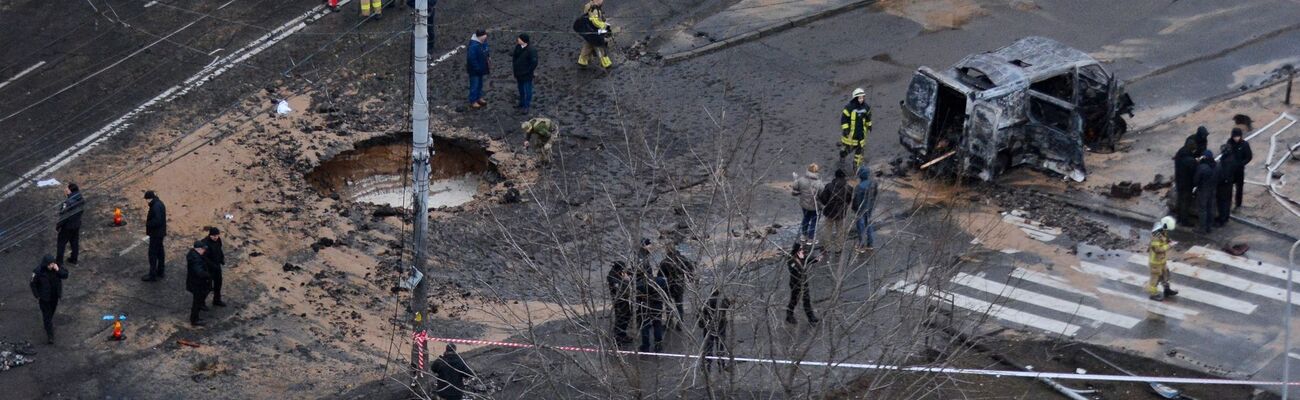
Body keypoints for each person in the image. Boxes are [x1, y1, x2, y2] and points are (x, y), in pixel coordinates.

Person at [29, 255, 68, 344]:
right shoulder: (38, 271)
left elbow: (65, 275)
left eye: (53, 263)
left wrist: (58, 270)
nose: (52, 266)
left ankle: (48, 325)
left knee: (51, 313)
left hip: (54, 296)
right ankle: (50, 335)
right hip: (44, 298)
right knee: (46, 316)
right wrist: (37, 295)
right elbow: (33, 283)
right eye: (50, 264)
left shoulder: (57, 268)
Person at [659, 240, 696, 331]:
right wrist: (690, 279)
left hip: (669, 286)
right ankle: (680, 324)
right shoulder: (683, 259)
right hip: (679, 285)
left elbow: (660, 276)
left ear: (667, 250)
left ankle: (669, 323)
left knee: (668, 305)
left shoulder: (664, 262)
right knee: (679, 305)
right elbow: (690, 269)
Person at [816, 169, 852, 253]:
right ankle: (838, 248)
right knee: (840, 230)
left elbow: (823, 200)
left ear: (835, 176)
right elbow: (849, 200)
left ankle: (827, 247)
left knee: (827, 230)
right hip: (841, 212)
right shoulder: (849, 188)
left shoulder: (829, 186)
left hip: (829, 212)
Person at [785, 241, 821, 325]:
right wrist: (801, 259)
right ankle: (789, 315)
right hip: (795, 283)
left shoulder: (801, 256)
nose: (802, 250)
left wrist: (815, 259)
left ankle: (811, 317)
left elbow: (808, 259)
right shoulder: (791, 260)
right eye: (800, 249)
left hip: (804, 282)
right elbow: (797, 269)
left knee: (806, 300)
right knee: (794, 300)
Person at [635, 268, 668, 352]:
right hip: (657, 305)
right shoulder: (659, 280)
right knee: (657, 325)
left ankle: (645, 346)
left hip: (645, 306)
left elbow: (636, 294)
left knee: (645, 326)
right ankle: (658, 345)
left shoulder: (640, 284)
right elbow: (666, 286)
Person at [698, 289, 731, 371]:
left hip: (709, 327)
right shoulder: (723, 302)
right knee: (720, 346)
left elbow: (701, 313)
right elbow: (728, 304)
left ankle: (707, 364)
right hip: (721, 326)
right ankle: (721, 364)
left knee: (708, 346)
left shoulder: (707, 301)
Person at [840, 88, 873, 168]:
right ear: (855, 98)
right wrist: (846, 130)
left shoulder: (866, 107)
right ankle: (842, 156)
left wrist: (869, 125)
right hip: (851, 134)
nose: (861, 99)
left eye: (862, 97)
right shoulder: (849, 107)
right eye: (860, 98)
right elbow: (844, 119)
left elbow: (868, 118)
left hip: (861, 133)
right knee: (848, 149)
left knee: (860, 150)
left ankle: (856, 166)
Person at [1147, 217, 1178, 301]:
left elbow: (1164, 239)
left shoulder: (1162, 230)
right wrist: (1169, 245)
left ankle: (1166, 290)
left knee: (1165, 274)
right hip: (1155, 261)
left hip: (1162, 260)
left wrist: (1168, 241)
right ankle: (1153, 294)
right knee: (1155, 278)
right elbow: (1157, 249)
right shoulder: (1156, 236)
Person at [575, 0, 613, 70]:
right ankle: (606, 63)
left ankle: (582, 60)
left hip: (589, 30)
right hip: (595, 31)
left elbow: (587, 15)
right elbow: (595, 21)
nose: (602, 1)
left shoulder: (588, 6)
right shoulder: (594, 9)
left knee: (588, 45)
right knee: (600, 45)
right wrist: (604, 25)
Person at [791, 163, 823, 240]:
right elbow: (822, 195)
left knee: (805, 219)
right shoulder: (819, 183)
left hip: (804, 205)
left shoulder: (801, 180)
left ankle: (804, 235)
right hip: (815, 206)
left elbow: (795, 187)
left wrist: (795, 179)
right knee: (814, 222)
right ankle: (811, 238)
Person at [1171, 137, 1199, 226]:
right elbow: (1194, 170)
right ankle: (1184, 221)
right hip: (1186, 183)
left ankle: (1179, 218)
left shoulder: (1181, 152)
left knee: (1180, 199)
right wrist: (1196, 162)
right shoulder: (1189, 160)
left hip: (1179, 181)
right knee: (1186, 202)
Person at [55, 182, 84, 266]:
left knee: (61, 244)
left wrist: (58, 226)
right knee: (74, 242)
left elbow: (63, 215)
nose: (65, 190)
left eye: (67, 189)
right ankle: (74, 259)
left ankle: (59, 262)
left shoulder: (67, 203)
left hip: (67, 226)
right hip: (76, 224)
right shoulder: (81, 199)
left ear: (70, 191)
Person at [1224, 128, 1253, 209]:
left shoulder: (1244, 144)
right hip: (1230, 170)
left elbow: (1249, 156)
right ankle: (1228, 203)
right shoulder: (1229, 143)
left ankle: (1238, 203)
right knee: (1228, 188)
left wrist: (1241, 163)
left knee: (1239, 188)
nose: (1236, 138)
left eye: (1238, 136)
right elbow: (1225, 154)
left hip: (1239, 170)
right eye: (1235, 137)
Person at [852, 165, 878, 251]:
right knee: (868, 224)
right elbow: (875, 195)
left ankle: (861, 245)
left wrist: (855, 209)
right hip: (869, 207)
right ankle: (870, 243)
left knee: (860, 226)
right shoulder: (874, 184)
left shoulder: (859, 187)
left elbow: (856, 200)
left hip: (861, 209)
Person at [606, 261, 633, 344]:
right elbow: (620, 287)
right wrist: (626, 280)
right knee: (621, 318)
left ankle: (621, 335)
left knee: (626, 316)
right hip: (619, 300)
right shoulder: (612, 277)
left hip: (623, 299)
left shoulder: (616, 273)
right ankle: (619, 337)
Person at [186, 241, 212, 327]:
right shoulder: (196, 259)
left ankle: (197, 313)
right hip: (197, 284)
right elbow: (199, 272)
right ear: (198, 249)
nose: (204, 250)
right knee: (196, 302)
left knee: (199, 299)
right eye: (203, 249)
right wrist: (208, 275)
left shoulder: (194, 255)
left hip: (196, 282)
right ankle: (194, 319)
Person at [511, 33, 538, 115]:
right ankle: (521, 103)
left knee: (527, 90)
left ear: (523, 40)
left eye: (519, 39)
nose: (517, 40)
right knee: (521, 90)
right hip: (519, 73)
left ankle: (526, 106)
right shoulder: (518, 47)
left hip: (526, 74)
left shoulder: (531, 50)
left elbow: (534, 62)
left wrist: (528, 71)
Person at [143, 191, 167, 281]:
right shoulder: (159, 203)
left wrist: (148, 224)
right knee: (160, 253)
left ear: (149, 198)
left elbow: (157, 220)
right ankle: (161, 271)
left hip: (155, 234)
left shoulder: (155, 206)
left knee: (152, 254)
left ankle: (152, 275)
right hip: (160, 233)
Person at [1193, 150, 1217, 234]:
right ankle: (1209, 227)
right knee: (1210, 208)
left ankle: (1202, 228)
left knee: (1202, 209)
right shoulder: (1215, 165)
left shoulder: (1202, 167)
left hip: (1203, 190)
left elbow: (1195, 180)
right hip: (1212, 189)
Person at [201, 227, 227, 307]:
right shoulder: (204, 243)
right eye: (214, 236)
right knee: (207, 287)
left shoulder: (218, 240)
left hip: (217, 266)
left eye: (217, 235)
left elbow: (219, 249)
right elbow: (204, 257)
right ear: (210, 235)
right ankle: (201, 303)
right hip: (208, 269)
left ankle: (217, 300)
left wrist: (221, 259)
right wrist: (212, 265)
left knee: (218, 284)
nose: (216, 237)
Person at [465, 30, 490, 109]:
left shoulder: (483, 42)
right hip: (475, 70)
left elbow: (486, 49)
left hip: (481, 67)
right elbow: (471, 59)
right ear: (480, 36)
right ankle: (473, 101)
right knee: (474, 85)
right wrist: (477, 68)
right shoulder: (473, 46)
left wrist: (488, 56)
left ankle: (479, 97)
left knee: (480, 84)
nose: (485, 37)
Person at [1214, 146, 1236, 227]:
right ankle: (1226, 217)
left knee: (1222, 203)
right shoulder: (1232, 158)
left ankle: (1221, 220)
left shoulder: (1225, 161)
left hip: (1223, 185)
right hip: (1229, 184)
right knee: (1227, 201)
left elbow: (1223, 175)